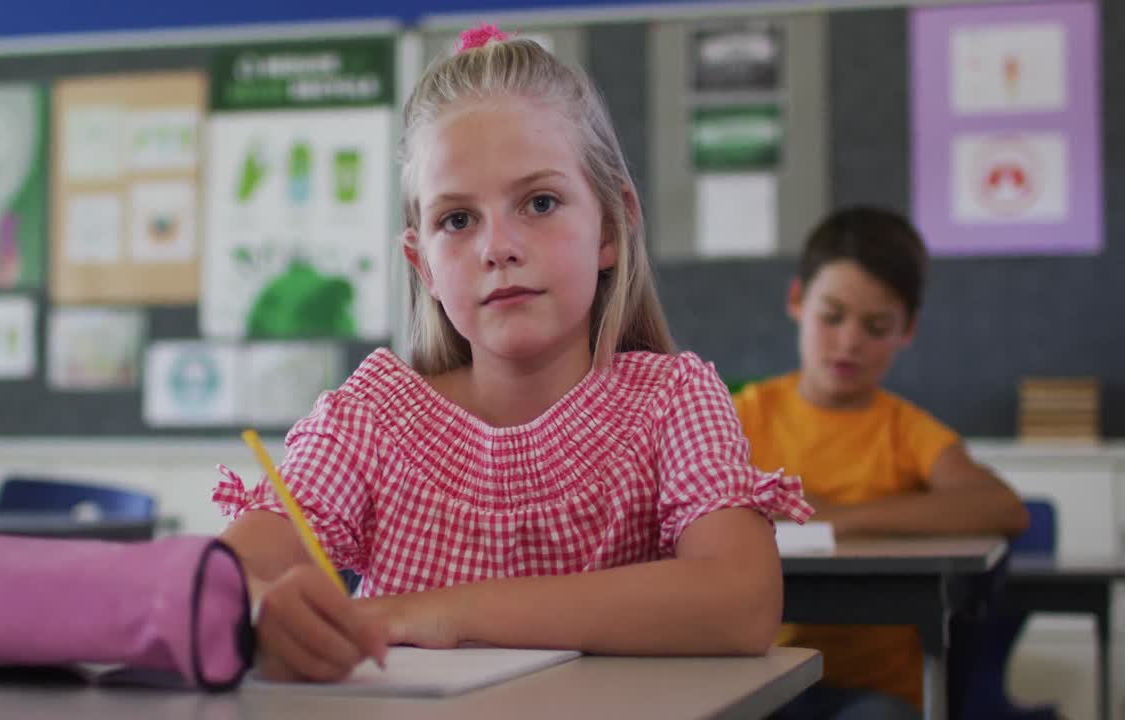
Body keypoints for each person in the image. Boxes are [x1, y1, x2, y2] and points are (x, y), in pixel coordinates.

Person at [212, 25, 812, 682]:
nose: (498, 247)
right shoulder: (369, 421)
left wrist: (448, 613)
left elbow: (741, 603)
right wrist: (261, 604)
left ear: (611, 228)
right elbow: (222, 581)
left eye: (540, 202)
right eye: (458, 220)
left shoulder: (673, 402)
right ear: (424, 267)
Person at [733, 206, 1029, 719]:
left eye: (876, 326)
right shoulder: (741, 417)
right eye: (832, 316)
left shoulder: (906, 432)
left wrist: (837, 517)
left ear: (907, 329)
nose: (849, 342)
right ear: (797, 300)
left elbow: (1003, 508)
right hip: (760, 676)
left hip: (875, 696)